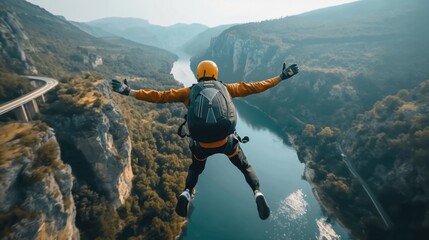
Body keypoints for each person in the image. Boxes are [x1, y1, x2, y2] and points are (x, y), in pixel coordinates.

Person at [111, 60, 299, 220]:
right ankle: (257, 192)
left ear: (199, 74)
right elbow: (257, 86)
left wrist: (130, 91)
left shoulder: (188, 92)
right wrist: (281, 77)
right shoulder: (227, 89)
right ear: (215, 74)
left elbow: (159, 96)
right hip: (227, 143)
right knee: (244, 166)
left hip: (202, 146)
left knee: (196, 168)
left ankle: (186, 192)